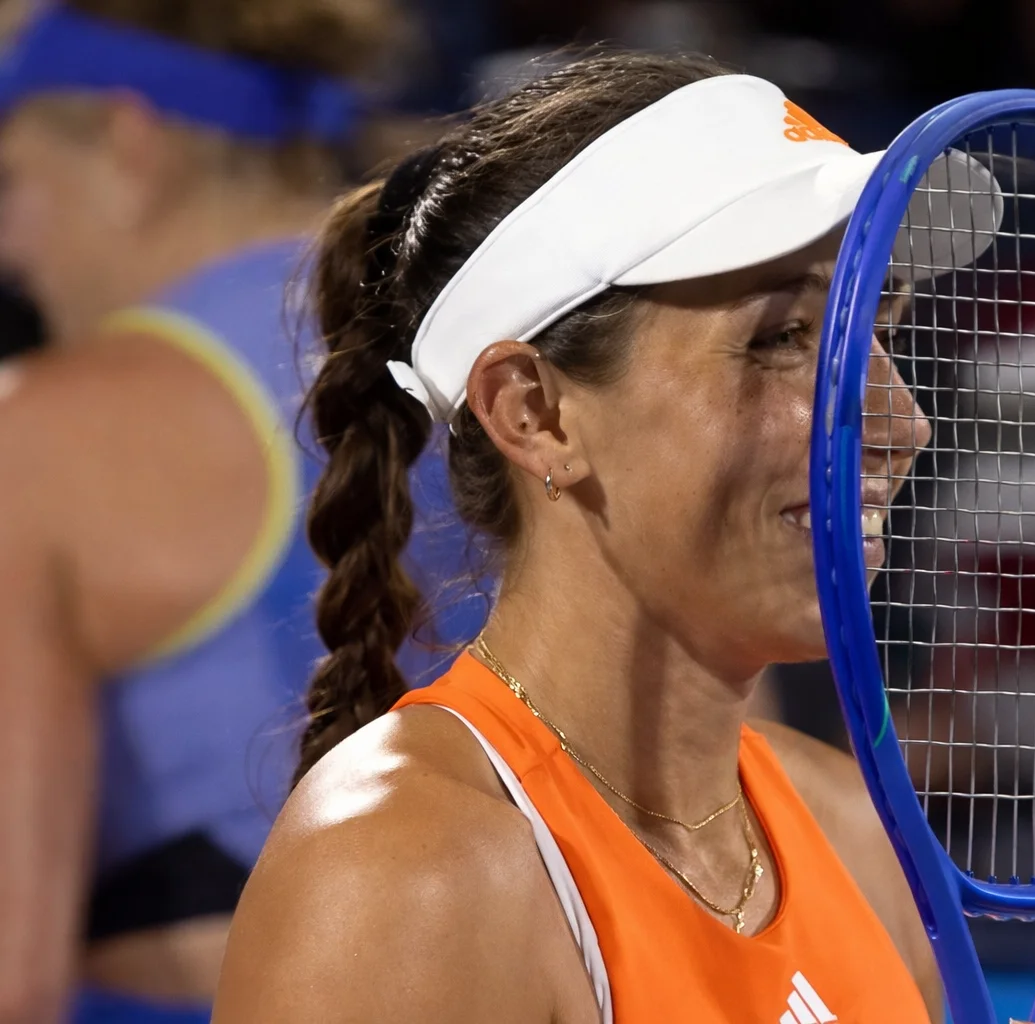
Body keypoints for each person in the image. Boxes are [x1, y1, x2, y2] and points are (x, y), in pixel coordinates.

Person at [213, 55, 959, 1023]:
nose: (900, 423)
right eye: (781, 339)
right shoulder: (407, 878)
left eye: (875, 328)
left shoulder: (853, 828)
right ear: (535, 413)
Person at [0, 3, 475, 1022]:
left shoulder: (42, 436)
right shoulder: (528, 368)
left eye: (13, 181)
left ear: (129, 145)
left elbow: (10, 971)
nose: (10, 245)